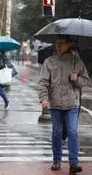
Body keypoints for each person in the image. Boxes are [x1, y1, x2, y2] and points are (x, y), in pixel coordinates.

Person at [38, 35, 89, 174]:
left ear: (68, 45)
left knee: (72, 131)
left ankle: (74, 163)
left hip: (72, 103)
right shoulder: (49, 62)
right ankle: (57, 160)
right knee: (57, 133)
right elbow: (43, 82)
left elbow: (85, 80)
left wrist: (76, 79)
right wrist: (44, 99)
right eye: (57, 43)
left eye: (61, 43)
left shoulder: (76, 62)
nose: (58, 45)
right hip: (54, 104)